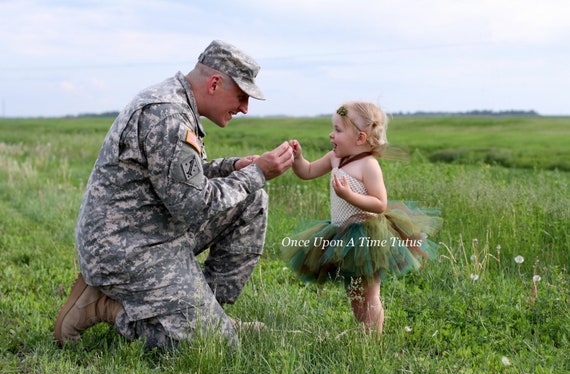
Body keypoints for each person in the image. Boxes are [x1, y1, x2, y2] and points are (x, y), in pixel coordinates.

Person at [53, 40, 294, 350]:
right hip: (125, 249)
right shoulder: (166, 115)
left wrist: (234, 166)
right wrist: (257, 172)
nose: (245, 108)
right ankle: (105, 305)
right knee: (215, 346)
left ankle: (205, 313)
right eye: (242, 95)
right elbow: (193, 206)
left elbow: (182, 180)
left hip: (154, 231)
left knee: (251, 199)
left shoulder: (176, 103)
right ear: (215, 83)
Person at [282, 101, 442, 335]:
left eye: (337, 130)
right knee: (354, 291)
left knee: (369, 293)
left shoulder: (369, 166)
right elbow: (307, 172)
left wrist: (349, 194)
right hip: (342, 235)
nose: (331, 134)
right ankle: (363, 332)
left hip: (367, 236)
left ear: (360, 138)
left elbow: (379, 204)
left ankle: (373, 339)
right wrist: (298, 158)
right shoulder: (334, 158)